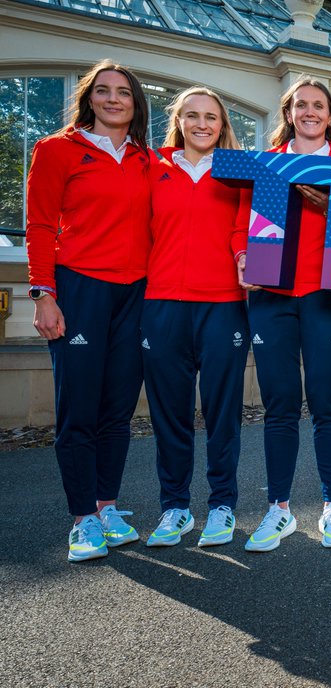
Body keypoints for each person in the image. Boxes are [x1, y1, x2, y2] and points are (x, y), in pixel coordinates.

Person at [26, 60, 153, 562]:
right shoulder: (57, 150)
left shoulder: (149, 159)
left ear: (136, 102)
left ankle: (107, 507)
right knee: (79, 410)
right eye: (103, 91)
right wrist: (44, 294)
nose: (114, 99)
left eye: (124, 92)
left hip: (136, 293)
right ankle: (82, 519)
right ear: (89, 98)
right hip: (79, 290)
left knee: (118, 411)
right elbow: (38, 225)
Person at [243, 78, 331, 552]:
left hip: (326, 295)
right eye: (301, 105)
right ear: (289, 113)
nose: (310, 112)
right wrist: (240, 253)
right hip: (271, 296)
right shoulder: (267, 164)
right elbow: (238, 221)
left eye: (319, 106)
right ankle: (279, 510)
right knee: (280, 406)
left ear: (330, 116)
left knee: (328, 406)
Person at [142, 87, 249, 548]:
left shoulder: (238, 171)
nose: (202, 124)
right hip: (162, 303)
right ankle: (175, 508)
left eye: (211, 117)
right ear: (178, 120)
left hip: (224, 304)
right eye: (192, 115)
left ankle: (222, 505)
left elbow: (246, 225)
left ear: (222, 124)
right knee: (170, 415)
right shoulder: (152, 167)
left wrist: (245, 254)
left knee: (223, 413)